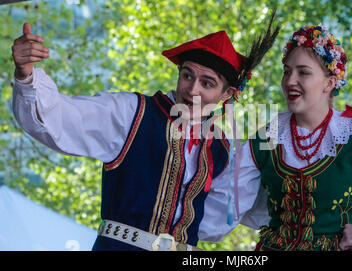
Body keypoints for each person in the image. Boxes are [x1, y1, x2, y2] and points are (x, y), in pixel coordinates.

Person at [11, 15, 279, 251]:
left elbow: (220, 218)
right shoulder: (132, 113)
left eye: (206, 83)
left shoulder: (220, 148)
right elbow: (61, 118)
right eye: (187, 75)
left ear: (227, 94)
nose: (192, 89)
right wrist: (25, 74)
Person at [208, 24, 352, 251]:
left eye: (304, 72)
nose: (290, 80)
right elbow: (222, 209)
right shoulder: (264, 140)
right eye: (287, 72)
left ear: (330, 82)